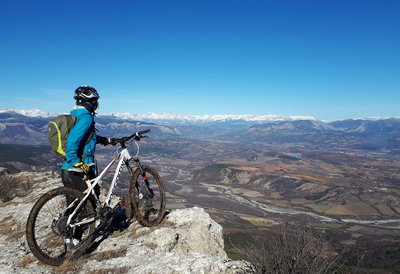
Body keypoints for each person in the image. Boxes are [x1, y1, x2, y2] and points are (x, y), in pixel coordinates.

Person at [61, 85, 109, 247]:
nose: (96, 104)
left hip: (67, 170)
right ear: (89, 101)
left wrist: (104, 140)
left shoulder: (76, 115)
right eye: (95, 101)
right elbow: (73, 141)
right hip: (79, 168)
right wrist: (77, 161)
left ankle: (69, 239)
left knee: (74, 206)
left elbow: (86, 136)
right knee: (84, 206)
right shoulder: (86, 117)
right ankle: (78, 243)